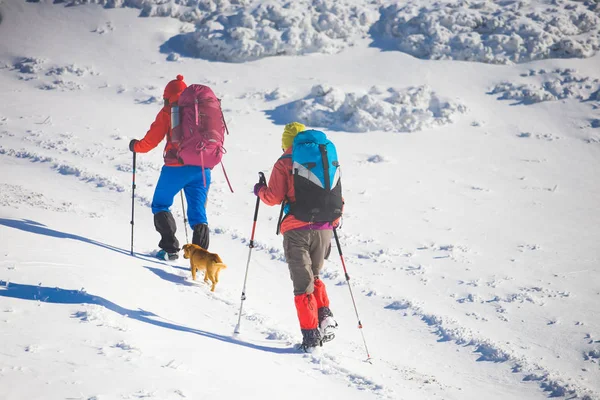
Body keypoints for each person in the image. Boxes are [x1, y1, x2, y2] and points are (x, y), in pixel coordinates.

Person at [253, 122, 339, 351]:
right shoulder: (324, 155)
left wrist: (258, 190)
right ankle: (325, 316)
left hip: (297, 229)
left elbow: (272, 197)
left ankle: (311, 339)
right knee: (315, 274)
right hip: (325, 228)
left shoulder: (284, 161)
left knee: (303, 285)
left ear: (285, 143)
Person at [129, 75, 210, 260]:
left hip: (176, 167)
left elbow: (151, 140)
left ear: (167, 96)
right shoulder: (202, 109)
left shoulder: (169, 111)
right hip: (203, 168)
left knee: (160, 204)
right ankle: (200, 259)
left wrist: (135, 146)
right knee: (198, 215)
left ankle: (170, 249)